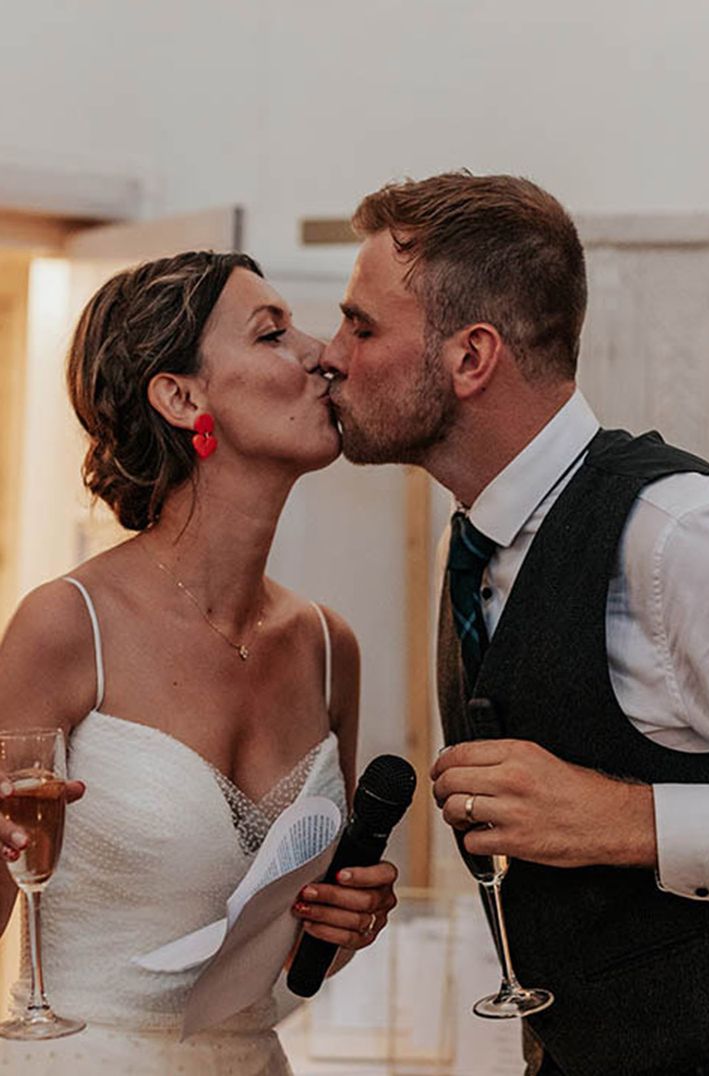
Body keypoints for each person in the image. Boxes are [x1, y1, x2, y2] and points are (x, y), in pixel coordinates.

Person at [321, 172, 709, 1076]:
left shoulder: (678, 539)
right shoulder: (478, 540)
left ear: (471, 358)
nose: (329, 353)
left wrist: (632, 821)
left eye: (363, 325)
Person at [0, 250, 397, 1074]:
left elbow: (292, 959)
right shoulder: (68, 626)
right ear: (183, 398)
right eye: (272, 334)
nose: (323, 352)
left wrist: (349, 918)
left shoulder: (329, 648)